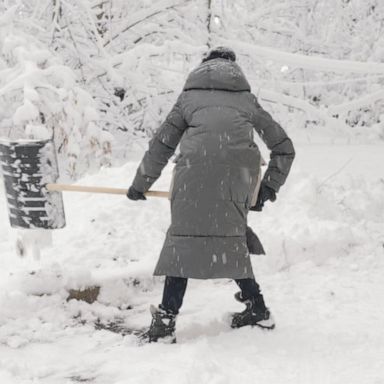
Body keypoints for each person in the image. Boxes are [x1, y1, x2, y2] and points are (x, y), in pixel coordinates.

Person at [127, 47, 295, 343]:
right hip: (236, 181)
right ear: (234, 70)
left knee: (185, 241)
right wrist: (267, 188)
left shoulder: (188, 99)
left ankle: (166, 321)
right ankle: (257, 308)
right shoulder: (247, 101)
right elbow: (284, 148)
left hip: (192, 179)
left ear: (202, 68)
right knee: (231, 240)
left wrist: (140, 184)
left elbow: (161, 146)